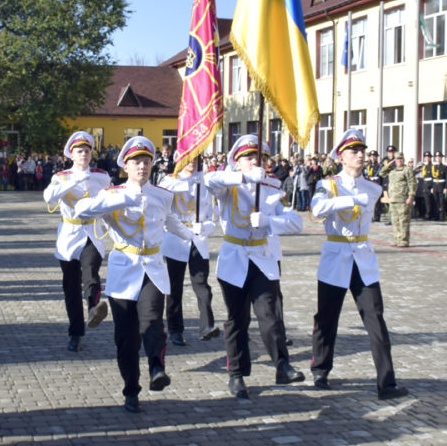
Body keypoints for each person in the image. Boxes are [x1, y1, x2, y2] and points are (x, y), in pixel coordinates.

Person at [73, 136, 193, 412]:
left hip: (152, 266)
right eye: (136, 162)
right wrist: (114, 202)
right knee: (125, 338)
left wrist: (189, 234)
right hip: (124, 268)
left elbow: (170, 219)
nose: (142, 166)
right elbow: (81, 211)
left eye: (147, 161)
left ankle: (157, 368)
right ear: (125, 166)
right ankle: (131, 389)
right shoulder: (112, 194)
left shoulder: (162, 194)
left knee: (152, 320)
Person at [309, 130, 408, 399]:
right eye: (354, 152)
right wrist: (350, 199)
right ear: (341, 157)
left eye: (362, 151)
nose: (361, 155)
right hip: (336, 255)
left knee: (375, 318)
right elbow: (316, 210)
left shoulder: (373, 188)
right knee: (327, 318)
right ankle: (320, 369)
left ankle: (386, 383)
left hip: (363, 258)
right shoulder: (327, 185)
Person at [203, 135, 304, 399]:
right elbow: (210, 181)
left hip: (262, 257)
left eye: (259, 157)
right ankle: (237, 374)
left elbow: (295, 222)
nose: (255, 161)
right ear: (236, 162)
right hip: (234, 258)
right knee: (237, 319)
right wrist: (244, 177)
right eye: (248, 157)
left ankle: (282, 365)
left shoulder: (271, 186)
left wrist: (270, 222)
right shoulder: (229, 184)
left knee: (269, 315)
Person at [42, 131, 112, 352]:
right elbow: (49, 197)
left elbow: (109, 203)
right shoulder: (61, 177)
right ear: (71, 154)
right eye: (79, 151)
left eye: (87, 151)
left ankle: (94, 308)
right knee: (70, 286)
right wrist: (75, 181)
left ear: (92, 154)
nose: (84, 155)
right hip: (70, 233)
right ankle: (75, 332)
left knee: (91, 271)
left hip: (92, 230)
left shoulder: (101, 176)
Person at [158, 155, 220, 344]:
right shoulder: (169, 181)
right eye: (188, 158)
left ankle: (206, 325)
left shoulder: (205, 182)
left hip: (197, 239)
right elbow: (162, 199)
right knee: (174, 288)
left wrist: (206, 227)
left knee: (201, 284)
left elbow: (213, 216)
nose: (192, 162)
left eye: (195, 159)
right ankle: (175, 329)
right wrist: (187, 183)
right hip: (175, 238)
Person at [380, 153, 416, 246]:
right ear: (394, 161)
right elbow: (381, 173)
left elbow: (412, 183)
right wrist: (388, 165)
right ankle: (397, 239)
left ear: (403, 160)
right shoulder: (392, 171)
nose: (399, 161)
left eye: (401, 159)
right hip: (393, 199)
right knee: (395, 221)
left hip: (403, 199)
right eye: (397, 159)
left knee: (403, 220)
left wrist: (410, 197)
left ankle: (404, 240)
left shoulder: (407, 170)